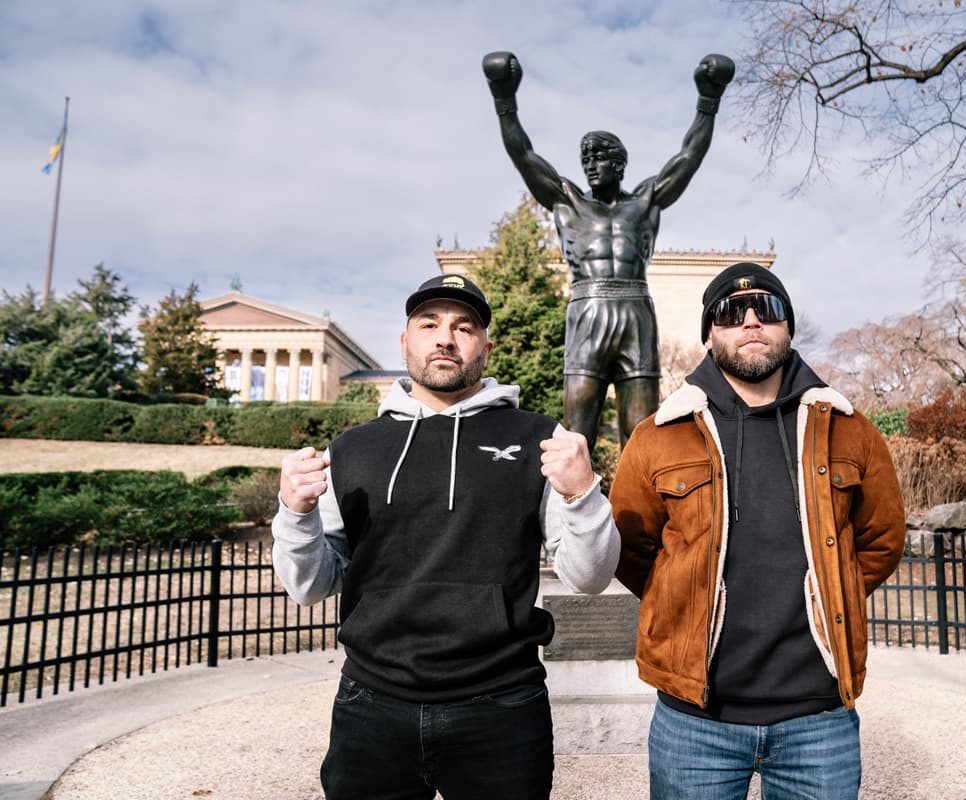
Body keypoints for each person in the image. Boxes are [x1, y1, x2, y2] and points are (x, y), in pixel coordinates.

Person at [271, 274, 620, 800]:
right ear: (406, 340)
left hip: (501, 706)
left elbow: (589, 578)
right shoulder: (351, 449)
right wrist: (294, 514)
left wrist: (583, 494)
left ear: (485, 345)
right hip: (371, 705)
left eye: (464, 326)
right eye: (428, 324)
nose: (445, 338)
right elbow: (310, 586)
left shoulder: (538, 439)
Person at [609, 262, 907, 799]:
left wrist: (831, 590)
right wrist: (679, 593)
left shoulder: (850, 428)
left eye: (766, 310)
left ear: (787, 328)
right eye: (730, 312)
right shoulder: (657, 436)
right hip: (695, 720)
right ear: (709, 334)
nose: (750, 321)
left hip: (818, 718)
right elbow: (631, 548)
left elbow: (882, 539)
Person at [483, 50, 735, 449]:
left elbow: (690, 156)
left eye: (599, 158)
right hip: (587, 311)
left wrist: (709, 99)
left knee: (642, 435)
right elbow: (524, 155)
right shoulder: (567, 200)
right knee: (577, 431)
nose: (589, 165)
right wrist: (504, 99)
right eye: (585, 159)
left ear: (620, 165)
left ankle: (639, 511)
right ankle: (571, 509)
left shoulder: (646, 200)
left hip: (636, 312)